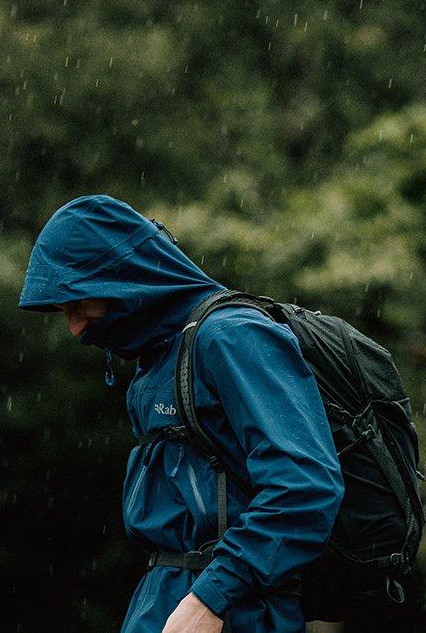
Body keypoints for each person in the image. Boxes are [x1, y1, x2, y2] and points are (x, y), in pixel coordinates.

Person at [18, 194, 344, 632]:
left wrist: (210, 600)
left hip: (234, 612)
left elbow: (305, 485)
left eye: (80, 304)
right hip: (163, 601)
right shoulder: (156, 359)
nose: (74, 327)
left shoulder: (231, 337)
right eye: (64, 311)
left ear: (124, 280)